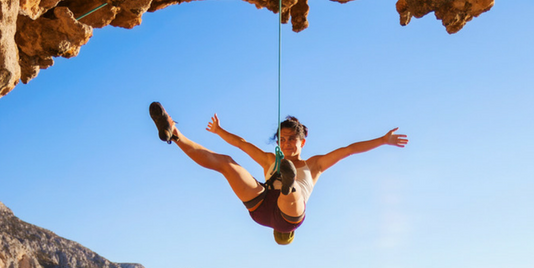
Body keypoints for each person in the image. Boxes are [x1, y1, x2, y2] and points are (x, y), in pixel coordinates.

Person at [149, 102, 408, 245]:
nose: (286, 143)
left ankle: (288, 184)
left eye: (292, 139)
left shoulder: (315, 164)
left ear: (302, 142)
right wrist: (219, 132)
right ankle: (175, 134)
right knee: (227, 163)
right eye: (282, 139)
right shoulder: (270, 159)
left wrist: (382, 140)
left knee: (292, 195)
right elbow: (241, 144)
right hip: (269, 202)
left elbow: (348, 150)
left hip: (280, 214)